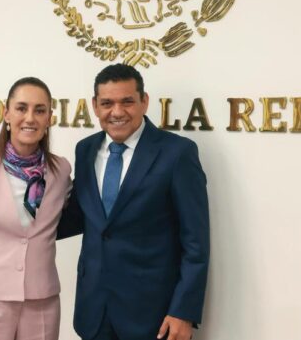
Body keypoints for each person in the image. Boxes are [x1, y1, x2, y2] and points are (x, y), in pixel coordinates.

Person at [58, 64, 210, 340]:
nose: (117, 112)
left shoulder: (177, 153)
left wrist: (183, 311)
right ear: (95, 106)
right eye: (107, 103)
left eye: (127, 101)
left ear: (144, 101)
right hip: (94, 311)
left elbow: (195, 242)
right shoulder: (85, 149)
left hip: (153, 316)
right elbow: (84, 217)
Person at [0, 77, 72, 340]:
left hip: (42, 301)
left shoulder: (61, 170)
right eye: (21, 108)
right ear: (6, 113)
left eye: (39, 110)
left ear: (49, 118)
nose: (30, 118)